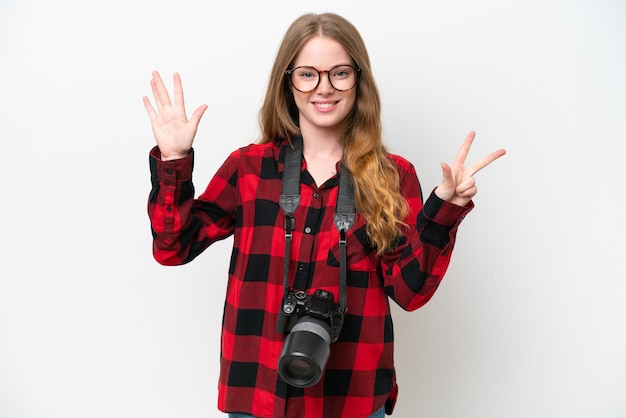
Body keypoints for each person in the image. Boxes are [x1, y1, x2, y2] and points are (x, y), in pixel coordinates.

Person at [143, 12, 505, 418]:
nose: (324, 87)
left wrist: (446, 207)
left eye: (339, 73)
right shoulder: (249, 168)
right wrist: (174, 159)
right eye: (308, 74)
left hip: (353, 397)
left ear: (358, 81)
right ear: (288, 81)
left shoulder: (392, 176)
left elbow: (411, 292)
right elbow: (172, 248)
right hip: (258, 392)